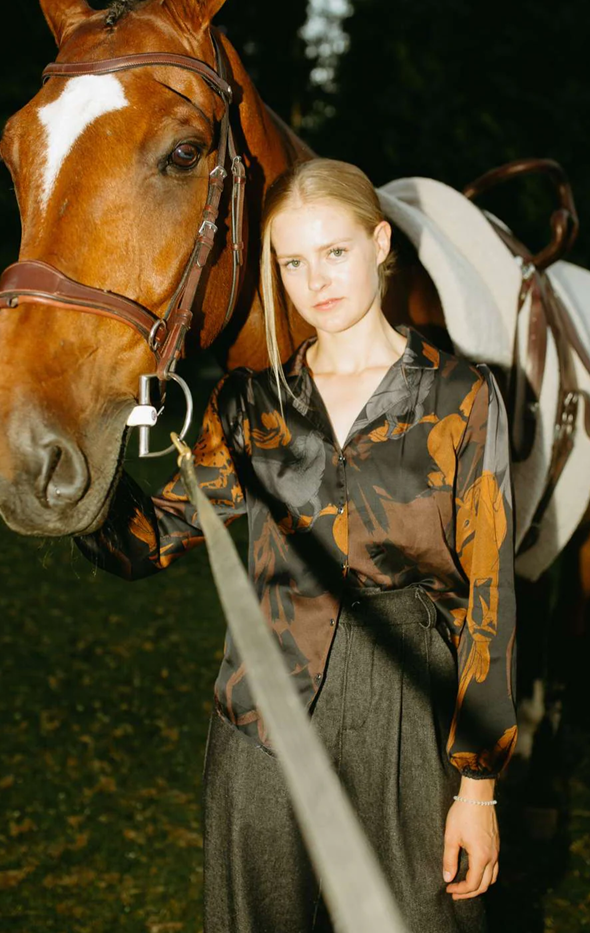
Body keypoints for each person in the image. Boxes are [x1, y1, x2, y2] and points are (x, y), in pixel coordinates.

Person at [75, 157, 518, 933]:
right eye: (292, 262)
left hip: (406, 710)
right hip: (263, 713)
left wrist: (477, 789)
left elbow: (491, 598)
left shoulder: (462, 397)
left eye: (335, 252)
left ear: (379, 243)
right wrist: (75, 475)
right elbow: (153, 539)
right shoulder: (251, 405)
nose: (316, 281)